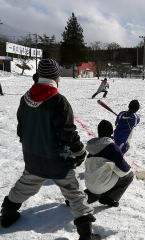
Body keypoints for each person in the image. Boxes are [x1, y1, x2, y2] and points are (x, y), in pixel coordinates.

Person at [0, 59, 100, 240]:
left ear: (39, 75)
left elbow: (21, 129)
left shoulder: (25, 98)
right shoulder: (58, 101)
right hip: (57, 160)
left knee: (25, 185)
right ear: (56, 77)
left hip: (33, 158)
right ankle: (86, 234)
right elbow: (67, 133)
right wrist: (79, 151)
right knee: (74, 193)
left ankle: (7, 214)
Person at [84, 120, 134, 207]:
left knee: (103, 172)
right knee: (129, 175)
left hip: (89, 184)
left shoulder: (93, 146)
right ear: (112, 132)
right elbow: (124, 170)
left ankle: (87, 197)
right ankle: (110, 198)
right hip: (100, 185)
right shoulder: (111, 147)